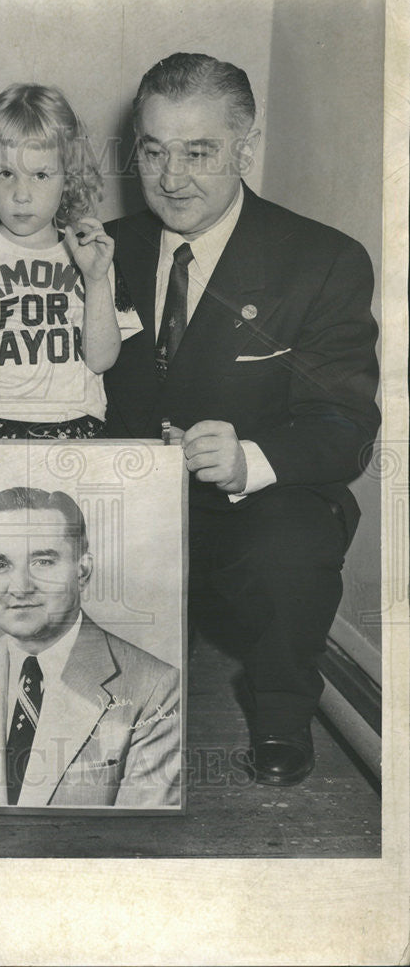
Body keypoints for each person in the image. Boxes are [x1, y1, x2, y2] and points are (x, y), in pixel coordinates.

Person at [101, 53, 380, 786]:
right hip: (126, 498)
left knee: (290, 544)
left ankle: (283, 713)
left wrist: (247, 458)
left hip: (252, 503)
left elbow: (344, 427)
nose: (170, 177)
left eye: (199, 152)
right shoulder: (99, 251)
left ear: (245, 148)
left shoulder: (321, 260)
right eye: (153, 150)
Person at [0, 486, 181, 808]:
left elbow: (142, 839)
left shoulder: (156, 688)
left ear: (83, 570)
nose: (20, 587)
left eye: (43, 561)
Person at [0, 84, 142, 439]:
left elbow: (101, 360)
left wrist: (97, 279)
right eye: (6, 174)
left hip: (75, 423)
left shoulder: (90, 255)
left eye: (40, 175)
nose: (21, 195)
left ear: (69, 176)